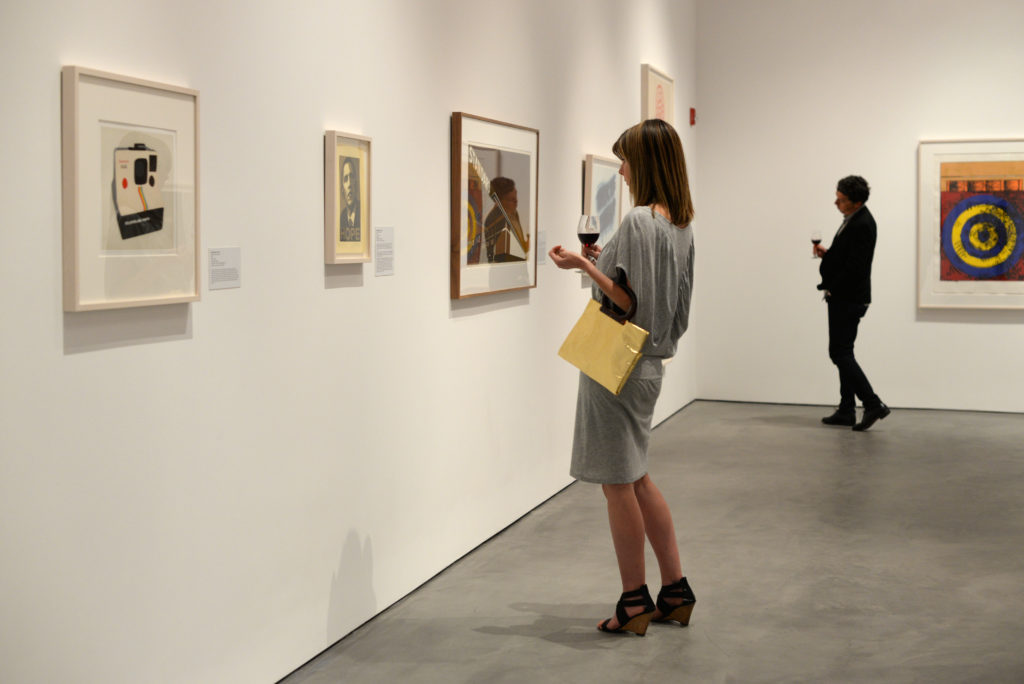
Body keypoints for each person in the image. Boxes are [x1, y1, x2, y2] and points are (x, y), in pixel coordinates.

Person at [548, 119, 696, 636]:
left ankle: (635, 602)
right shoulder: (679, 225)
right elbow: (661, 305)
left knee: (617, 483)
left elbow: (628, 302)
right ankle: (675, 591)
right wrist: (602, 267)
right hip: (650, 365)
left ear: (647, 164)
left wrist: (582, 267)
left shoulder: (636, 221)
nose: (624, 171)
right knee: (636, 476)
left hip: (617, 361)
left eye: (627, 161)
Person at [814, 175, 890, 431]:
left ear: (856, 201)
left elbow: (856, 267)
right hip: (847, 296)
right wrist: (830, 254)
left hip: (848, 298)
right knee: (844, 351)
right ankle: (847, 409)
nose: (836, 202)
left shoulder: (862, 224)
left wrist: (833, 287)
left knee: (840, 352)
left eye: (841, 199)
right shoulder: (853, 220)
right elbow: (848, 257)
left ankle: (872, 403)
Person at [483, 177, 529, 262]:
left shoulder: (513, 214)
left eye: (516, 197)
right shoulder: (496, 219)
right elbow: (501, 256)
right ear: (499, 201)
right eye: (511, 199)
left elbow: (519, 248)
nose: (516, 202)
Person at [339, 157, 360, 241]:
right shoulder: (342, 218)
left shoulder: (362, 213)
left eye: (351, 177)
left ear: (356, 184)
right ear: (342, 190)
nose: (349, 184)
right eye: (345, 179)